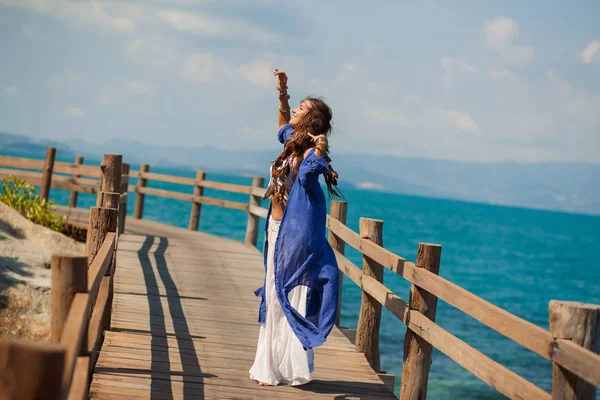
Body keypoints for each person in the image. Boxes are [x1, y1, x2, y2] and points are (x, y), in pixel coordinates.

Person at [249, 69, 342, 386]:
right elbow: (282, 122)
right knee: (275, 293)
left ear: (310, 120)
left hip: (295, 235)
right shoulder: (291, 142)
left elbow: (315, 169)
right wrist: (282, 90)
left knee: (287, 294)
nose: (294, 112)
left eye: (300, 108)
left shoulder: (307, 153)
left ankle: (290, 367)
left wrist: (320, 149)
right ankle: (272, 365)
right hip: (276, 229)